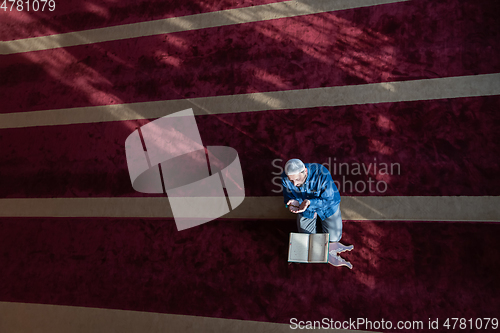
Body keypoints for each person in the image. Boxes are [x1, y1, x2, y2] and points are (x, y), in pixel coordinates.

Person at [281, 158, 353, 268]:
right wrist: (292, 203)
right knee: (307, 240)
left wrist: (310, 203)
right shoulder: (285, 177)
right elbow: (288, 197)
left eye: (297, 179)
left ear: (304, 171)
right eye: (291, 181)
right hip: (305, 209)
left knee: (334, 239)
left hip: (327, 208)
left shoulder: (321, 173)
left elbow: (329, 200)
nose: (294, 184)